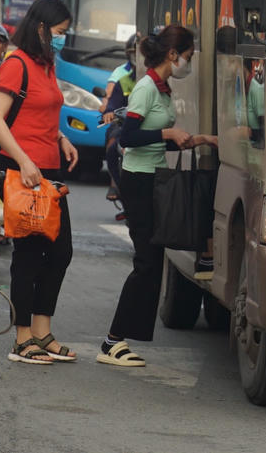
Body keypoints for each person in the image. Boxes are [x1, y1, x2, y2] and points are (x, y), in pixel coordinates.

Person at [97, 25, 216, 367]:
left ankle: (119, 340)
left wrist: (200, 139)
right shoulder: (146, 88)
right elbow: (128, 137)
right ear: (173, 55)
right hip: (138, 181)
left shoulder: (163, 90)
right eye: (189, 57)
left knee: (152, 262)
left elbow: (157, 139)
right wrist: (167, 131)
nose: (189, 64)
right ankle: (112, 341)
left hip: (153, 178)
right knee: (146, 263)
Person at [0, 0, 80, 365]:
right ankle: (22, 339)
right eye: (58, 32)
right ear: (40, 28)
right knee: (29, 256)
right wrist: (24, 160)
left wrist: (61, 138)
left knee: (60, 252)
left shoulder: (47, 65)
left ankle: (42, 333)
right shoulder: (16, 64)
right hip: (21, 170)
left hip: (49, 171)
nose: (61, 39)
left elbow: (43, 112)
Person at [101, 34, 139, 201]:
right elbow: (112, 103)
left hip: (148, 127)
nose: (139, 58)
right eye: (134, 54)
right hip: (125, 126)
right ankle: (116, 183)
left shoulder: (157, 81)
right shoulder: (123, 81)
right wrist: (109, 112)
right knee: (111, 145)